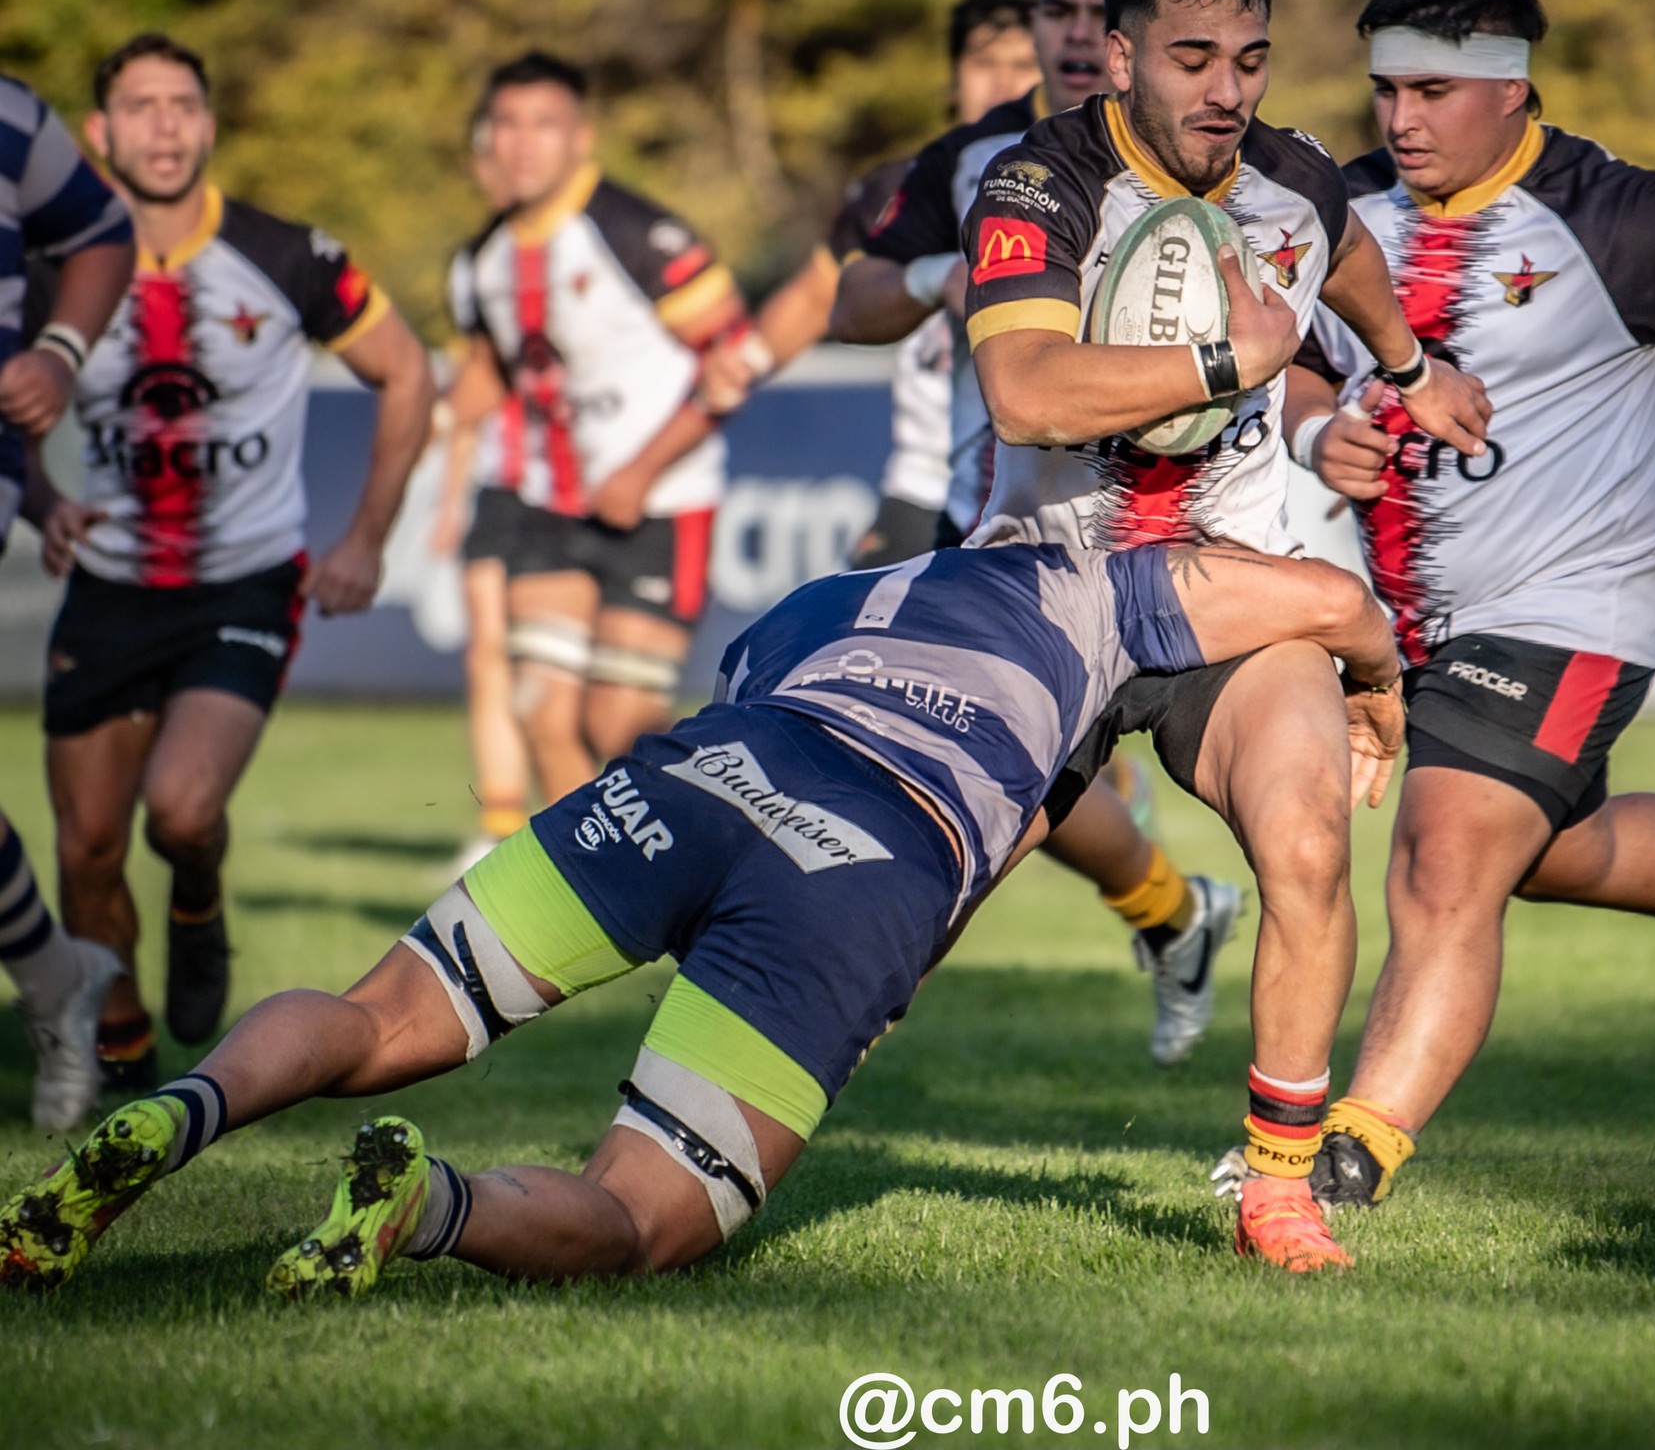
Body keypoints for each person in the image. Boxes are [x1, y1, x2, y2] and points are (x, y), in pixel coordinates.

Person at [0, 538, 1405, 1297]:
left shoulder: (823, 594)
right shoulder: (1100, 584)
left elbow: (747, 698)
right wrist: (1378, 693)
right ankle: (426, 1207)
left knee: (384, 1012)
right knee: (646, 1218)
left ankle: (178, 1112)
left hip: (707, 767)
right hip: (867, 854)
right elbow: (1335, 596)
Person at [1240, 0, 1655, 1216]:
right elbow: (1299, 363)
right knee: (1544, 850)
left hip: (1574, 605)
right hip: (1415, 622)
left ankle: (1341, 1161)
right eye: (1384, 90)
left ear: (1509, 87)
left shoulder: (1619, 214)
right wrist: (1319, 433)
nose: (1399, 119)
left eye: (1430, 91)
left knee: (1444, 857)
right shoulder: (1342, 211)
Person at [957, 0, 1492, 1269]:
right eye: (1191, 58)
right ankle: (711, 1132)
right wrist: (1227, 358)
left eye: (1248, 59)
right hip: (1054, 589)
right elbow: (1023, 393)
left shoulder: (1293, 178)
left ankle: (1277, 1189)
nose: (1225, 89)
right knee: (909, 899)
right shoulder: (1038, 180)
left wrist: (1407, 363)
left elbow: (1344, 255)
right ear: (1120, 57)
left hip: (1231, 594)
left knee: (1307, 840)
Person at [832, 0, 1241, 1073]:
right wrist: (936, 273)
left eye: (1089, 13)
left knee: (999, 787)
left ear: (1127, 35)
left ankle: (835, 996)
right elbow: (850, 301)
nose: (1067, 34)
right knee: (953, 777)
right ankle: (1170, 911)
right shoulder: (973, 159)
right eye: (1048, 11)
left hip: (1152, 530)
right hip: (979, 515)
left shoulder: (1222, 162)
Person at [34, 35, 433, 1093]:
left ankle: (199, 893)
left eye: (183, 104)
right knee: (84, 847)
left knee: (180, 810)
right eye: (141, 106)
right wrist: (40, 499)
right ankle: (124, 1066)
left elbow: (408, 371)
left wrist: (365, 538)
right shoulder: (54, 270)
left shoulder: (286, 254)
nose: (164, 125)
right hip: (109, 588)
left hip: (243, 585)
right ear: (100, 132)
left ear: (209, 125)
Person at [441, 53, 747, 803]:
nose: (522, 143)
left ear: (581, 137)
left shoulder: (634, 230)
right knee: (541, 711)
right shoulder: (483, 259)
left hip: (662, 505)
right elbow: (491, 377)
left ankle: (710, 832)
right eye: (507, 124)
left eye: (544, 124)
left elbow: (733, 358)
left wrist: (640, 472)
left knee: (620, 725)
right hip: (550, 507)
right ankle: (587, 875)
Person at [697, 0, 1043, 569]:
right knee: (855, 624)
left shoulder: (1077, 188)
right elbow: (819, 295)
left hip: (1041, 488)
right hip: (926, 485)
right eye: (984, 63)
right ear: (953, 80)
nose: (1003, 83)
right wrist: (744, 363)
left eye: (1023, 65)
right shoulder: (901, 189)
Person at [0, 74, 136, 1128]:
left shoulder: (11, 117)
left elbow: (99, 232)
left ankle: (56, 978)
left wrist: (57, 351)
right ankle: (55, 974)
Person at [430, 115, 527, 872]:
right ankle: (500, 820)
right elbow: (476, 382)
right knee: (487, 652)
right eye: (488, 151)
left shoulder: (594, 246)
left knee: (575, 682)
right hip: (500, 483)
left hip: (576, 490)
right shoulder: (474, 264)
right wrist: (448, 497)